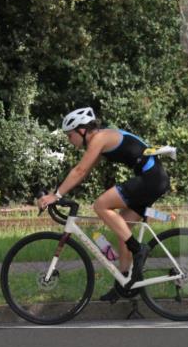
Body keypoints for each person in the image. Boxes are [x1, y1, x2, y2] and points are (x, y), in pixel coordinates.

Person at [36, 107, 171, 302]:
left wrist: (55, 196)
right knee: (122, 229)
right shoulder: (100, 140)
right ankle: (124, 283)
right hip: (152, 179)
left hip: (151, 179)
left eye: (70, 135)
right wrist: (58, 193)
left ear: (82, 130)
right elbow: (83, 172)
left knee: (100, 205)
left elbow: (80, 170)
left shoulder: (99, 138)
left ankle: (138, 249)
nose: (69, 140)